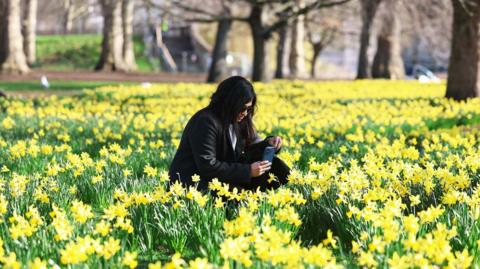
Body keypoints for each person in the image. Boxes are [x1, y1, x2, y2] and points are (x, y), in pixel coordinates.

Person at [168, 76, 290, 191]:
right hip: (193, 183)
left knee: (275, 166)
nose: (245, 113)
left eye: (249, 109)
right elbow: (208, 166)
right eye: (242, 108)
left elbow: (251, 146)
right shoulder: (205, 121)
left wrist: (268, 143)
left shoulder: (240, 120)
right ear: (229, 103)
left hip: (221, 178)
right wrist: (247, 171)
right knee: (242, 199)